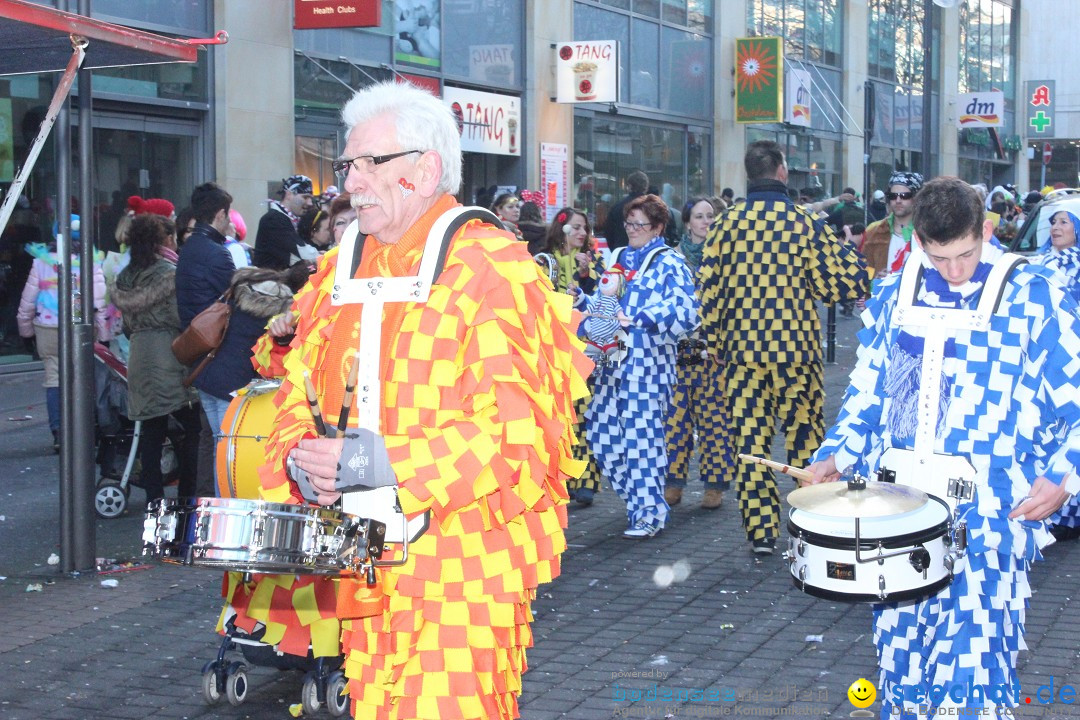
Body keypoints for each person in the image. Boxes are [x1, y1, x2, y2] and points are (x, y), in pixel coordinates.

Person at [254, 80, 590, 719]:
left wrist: (376, 465)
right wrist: (304, 456)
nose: (350, 181)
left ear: (426, 168)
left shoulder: (492, 268)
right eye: (347, 164)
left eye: (368, 164)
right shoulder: (339, 266)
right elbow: (297, 384)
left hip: (461, 569)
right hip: (362, 563)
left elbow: (516, 436)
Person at [805, 177, 1080, 718]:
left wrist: (1065, 472)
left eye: (966, 254)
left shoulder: (1033, 292)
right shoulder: (896, 291)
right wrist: (835, 454)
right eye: (939, 257)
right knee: (899, 660)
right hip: (898, 506)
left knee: (975, 666)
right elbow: (869, 388)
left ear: (985, 231)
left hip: (990, 508)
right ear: (922, 243)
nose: (955, 270)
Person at [697, 140, 868, 555]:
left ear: (748, 173)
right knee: (805, 440)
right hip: (797, 351)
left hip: (741, 352)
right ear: (782, 171)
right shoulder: (802, 222)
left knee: (751, 446)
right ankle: (811, 527)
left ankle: (760, 534)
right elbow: (847, 282)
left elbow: (709, 290)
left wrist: (717, 342)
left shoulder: (725, 224)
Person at [580, 193, 699, 538]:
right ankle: (638, 502)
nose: (631, 229)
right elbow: (605, 307)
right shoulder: (617, 259)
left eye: (639, 224)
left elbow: (687, 314)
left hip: (647, 367)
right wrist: (583, 300)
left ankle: (649, 513)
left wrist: (641, 318)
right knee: (602, 437)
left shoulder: (669, 263)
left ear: (658, 227)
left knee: (642, 441)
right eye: (628, 223)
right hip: (609, 366)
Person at [110, 214, 201, 503]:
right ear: (161, 240)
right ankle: (187, 493)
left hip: (138, 355)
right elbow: (178, 315)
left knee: (151, 431)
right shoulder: (168, 273)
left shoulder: (125, 276)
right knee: (192, 428)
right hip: (169, 353)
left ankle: (154, 499)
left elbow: (125, 325)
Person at [17, 216, 108, 452]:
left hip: (47, 328)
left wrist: (25, 331)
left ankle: (59, 432)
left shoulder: (41, 263)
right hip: (81, 327)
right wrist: (105, 333)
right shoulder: (90, 261)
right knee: (85, 378)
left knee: (54, 378)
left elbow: (28, 300)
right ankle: (85, 430)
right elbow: (99, 301)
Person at [664, 197, 730, 511]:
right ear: (688, 221)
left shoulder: (727, 257)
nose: (705, 221)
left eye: (710, 216)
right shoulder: (673, 258)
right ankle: (673, 482)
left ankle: (715, 485)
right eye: (699, 216)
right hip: (685, 346)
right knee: (678, 416)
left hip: (715, 347)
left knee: (714, 419)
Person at [175, 182, 235, 497]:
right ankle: (225, 508)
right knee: (228, 445)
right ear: (220, 214)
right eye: (228, 215)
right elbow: (238, 301)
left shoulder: (189, 249)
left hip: (199, 356)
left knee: (214, 439)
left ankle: (212, 506)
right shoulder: (216, 254)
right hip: (219, 357)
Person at [543, 207, 603, 508]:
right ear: (563, 228)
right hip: (556, 349)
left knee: (585, 416)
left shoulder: (594, 263)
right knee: (560, 419)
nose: (582, 233)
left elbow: (604, 300)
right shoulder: (546, 261)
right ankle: (561, 479)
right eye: (576, 227)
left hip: (585, 348)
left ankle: (587, 482)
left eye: (585, 228)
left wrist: (587, 274)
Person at [862, 172, 923, 280]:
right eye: (893, 196)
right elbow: (865, 271)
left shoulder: (927, 233)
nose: (898, 201)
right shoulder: (874, 231)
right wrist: (875, 279)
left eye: (905, 196)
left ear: (915, 198)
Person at [253, 174, 315, 270]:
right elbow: (302, 251)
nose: (310, 203)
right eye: (305, 197)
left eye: (311, 198)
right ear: (289, 194)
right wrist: (326, 257)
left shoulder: (287, 219)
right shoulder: (274, 220)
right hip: (269, 281)